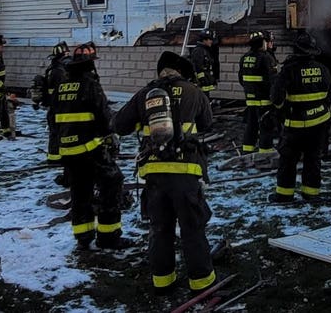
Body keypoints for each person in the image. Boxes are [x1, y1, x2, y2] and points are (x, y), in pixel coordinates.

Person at [113, 50, 216, 296]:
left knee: (160, 228)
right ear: (180, 71)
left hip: (155, 173)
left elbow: (119, 125)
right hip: (186, 170)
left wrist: (143, 119)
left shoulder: (146, 95)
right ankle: (201, 283)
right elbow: (207, 124)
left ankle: (163, 281)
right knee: (192, 227)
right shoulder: (193, 91)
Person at [54, 42, 129, 251]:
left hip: (69, 151)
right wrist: (110, 135)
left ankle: (83, 237)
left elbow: (52, 119)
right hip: (90, 148)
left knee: (80, 192)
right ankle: (109, 237)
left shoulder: (61, 87)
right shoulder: (90, 85)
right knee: (112, 183)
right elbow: (104, 116)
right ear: (88, 66)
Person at [270, 31, 331, 204]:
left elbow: (276, 98)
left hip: (295, 125)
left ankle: (284, 195)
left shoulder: (288, 70)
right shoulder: (322, 69)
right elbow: (329, 95)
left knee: (288, 161)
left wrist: (282, 112)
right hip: (319, 123)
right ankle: (311, 193)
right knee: (313, 159)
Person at [238, 30, 278, 153]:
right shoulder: (266, 58)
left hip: (250, 99)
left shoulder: (245, 58)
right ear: (262, 43)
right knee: (266, 126)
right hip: (264, 99)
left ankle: (247, 149)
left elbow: (241, 79)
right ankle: (265, 152)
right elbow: (271, 80)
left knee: (251, 125)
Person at [34, 41, 71, 164]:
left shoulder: (52, 68)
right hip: (59, 107)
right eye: (66, 54)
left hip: (53, 106)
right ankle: (56, 158)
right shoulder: (59, 72)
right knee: (58, 133)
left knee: (55, 132)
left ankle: (54, 156)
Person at [189, 30, 219, 99]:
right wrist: (202, 79)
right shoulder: (199, 51)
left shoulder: (205, 50)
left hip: (205, 82)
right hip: (201, 84)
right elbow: (198, 67)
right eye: (210, 39)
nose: (211, 41)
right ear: (204, 40)